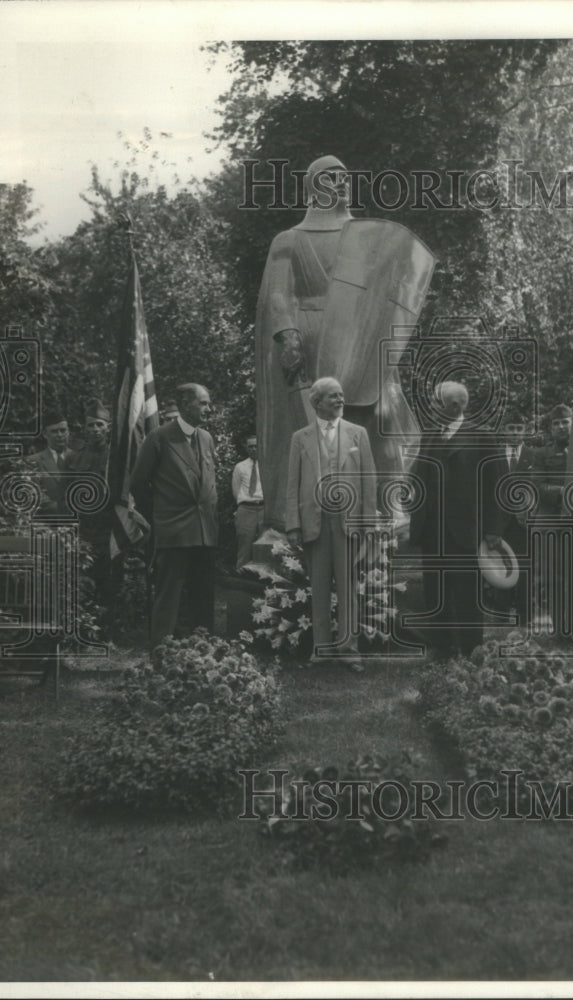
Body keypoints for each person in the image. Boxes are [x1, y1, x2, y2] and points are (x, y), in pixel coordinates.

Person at [255, 154, 432, 530]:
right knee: (316, 430)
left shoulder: (367, 238)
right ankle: (312, 514)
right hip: (312, 338)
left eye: (344, 177)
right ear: (313, 187)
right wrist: (288, 336)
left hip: (361, 340)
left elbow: (387, 291)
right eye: (330, 178)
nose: (341, 183)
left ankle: (385, 507)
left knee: (378, 416)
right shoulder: (289, 240)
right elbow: (277, 294)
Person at [409, 381, 508, 655]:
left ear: (453, 406)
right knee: (435, 593)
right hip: (432, 531)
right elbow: (419, 477)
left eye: (434, 402)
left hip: (467, 532)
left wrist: (493, 529)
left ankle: (470, 651)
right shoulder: (430, 434)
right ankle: (440, 650)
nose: (429, 407)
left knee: (466, 594)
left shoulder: (482, 437)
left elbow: (496, 486)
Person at [285, 377, 376, 668]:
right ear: (317, 402)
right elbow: (292, 484)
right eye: (333, 396)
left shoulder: (358, 433)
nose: (340, 400)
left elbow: (369, 481)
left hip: (348, 523)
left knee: (349, 589)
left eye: (341, 395)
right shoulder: (300, 438)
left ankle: (350, 650)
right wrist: (293, 525)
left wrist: (368, 526)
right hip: (315, 522)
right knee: (320, 588)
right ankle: (321, 649)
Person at [129, 383, 218, 649]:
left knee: (203, 594)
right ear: (184, 404)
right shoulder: (159, 438)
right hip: (173, 530)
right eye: (202, 403)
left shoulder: (206, 438)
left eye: (207, 402)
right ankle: (161, 651)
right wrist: (159, 515)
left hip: (205, 531)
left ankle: (205, 650)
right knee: (169, 594)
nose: (208, 408)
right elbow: (138, 483)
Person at [531, 403, 573, 633]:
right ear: (551, 429)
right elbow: (538, 486)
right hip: (551, 522)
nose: (561, 427)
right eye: (556, 424)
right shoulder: (542, 454)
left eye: (565, 422)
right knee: (553, 577)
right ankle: (559, 627)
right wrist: (565, 491)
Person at [66, 399, 116, 614]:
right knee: (84, 579)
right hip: (84, 528)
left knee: (110, 579)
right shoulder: (75, 457)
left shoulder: (116, 458)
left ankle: (109, 626)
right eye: (91, 425)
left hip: (109, 528)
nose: (95, 430)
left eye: (100, 425)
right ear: (84, 428)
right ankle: (86, 624)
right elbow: (67, 494)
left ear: (108, 427)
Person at [491, 411, 535, 628]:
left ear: (525, 431)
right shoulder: (494, 456)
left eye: (519, 429)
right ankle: (500, 613)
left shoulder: (533, 456)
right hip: (499, 522)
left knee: (525, 567)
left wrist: (527, 509)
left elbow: (537, 487)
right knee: (501, 566)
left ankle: (525, 614)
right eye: (511, 428)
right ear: (503, 431)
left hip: (524, 522)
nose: (515, 433)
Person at [27, 410, 71, 514]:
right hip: (48, 523)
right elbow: (35, 493)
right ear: (45, 434)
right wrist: (61, 509)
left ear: (68, 432)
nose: (60, 435)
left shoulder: (79, 457)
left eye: (63, 430)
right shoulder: (33, 461)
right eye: (54, 431)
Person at [232, 434, 264, 570]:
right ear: (246, 448)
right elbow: (236, 489)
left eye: (257, 446)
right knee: (244, 544)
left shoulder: (267, 466)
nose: (254, 449)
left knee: (264, 544)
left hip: (264, 509)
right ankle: (241, 575)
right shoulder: (240, 467)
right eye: (251, 446)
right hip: (246, 509)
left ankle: (264, 581)